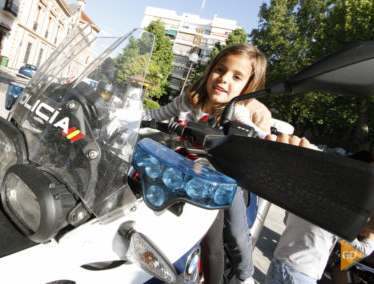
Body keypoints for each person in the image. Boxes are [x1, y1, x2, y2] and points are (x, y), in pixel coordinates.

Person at [143, 43, 272, 284]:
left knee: (225, 235)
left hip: (214, 183)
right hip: (178, 173)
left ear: (248, 86)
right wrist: (123, 113)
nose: (224, 79)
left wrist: (273, 140)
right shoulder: (191, 99)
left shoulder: (237, 112)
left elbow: (257, 134)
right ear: (210, 69)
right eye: (220, 70)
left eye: (236, 76)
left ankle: (245, 275)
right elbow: (156, 115)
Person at [264, 134, 374, 284]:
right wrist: (371, 237)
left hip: (279, 263)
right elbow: (358, 251)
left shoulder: (308, 191)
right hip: (302, 274)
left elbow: (287, 219)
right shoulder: (341, 210)